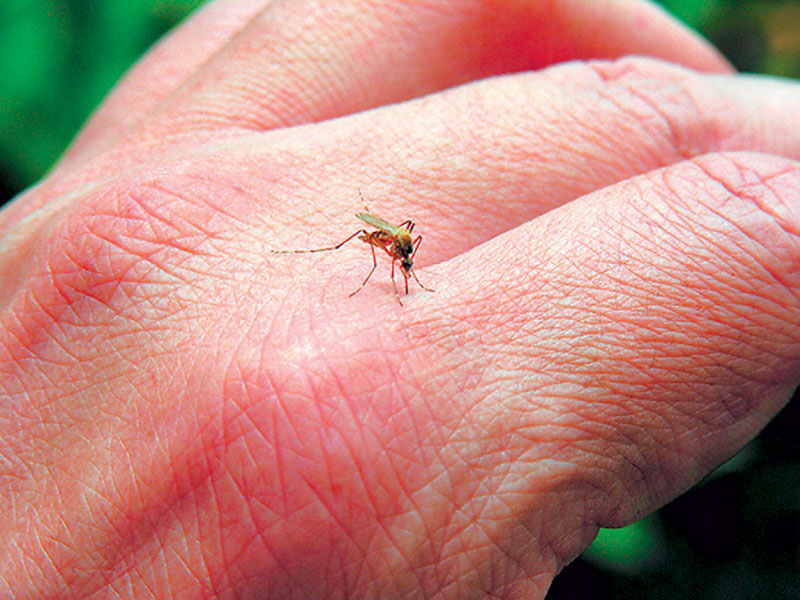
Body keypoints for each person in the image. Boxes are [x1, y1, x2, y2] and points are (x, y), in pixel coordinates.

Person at [1, 1, 798, 597]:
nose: (402, 255)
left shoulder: (405, 242)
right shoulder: (381, 242)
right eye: (402, 252)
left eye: (404, 252)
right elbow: (380, 241)